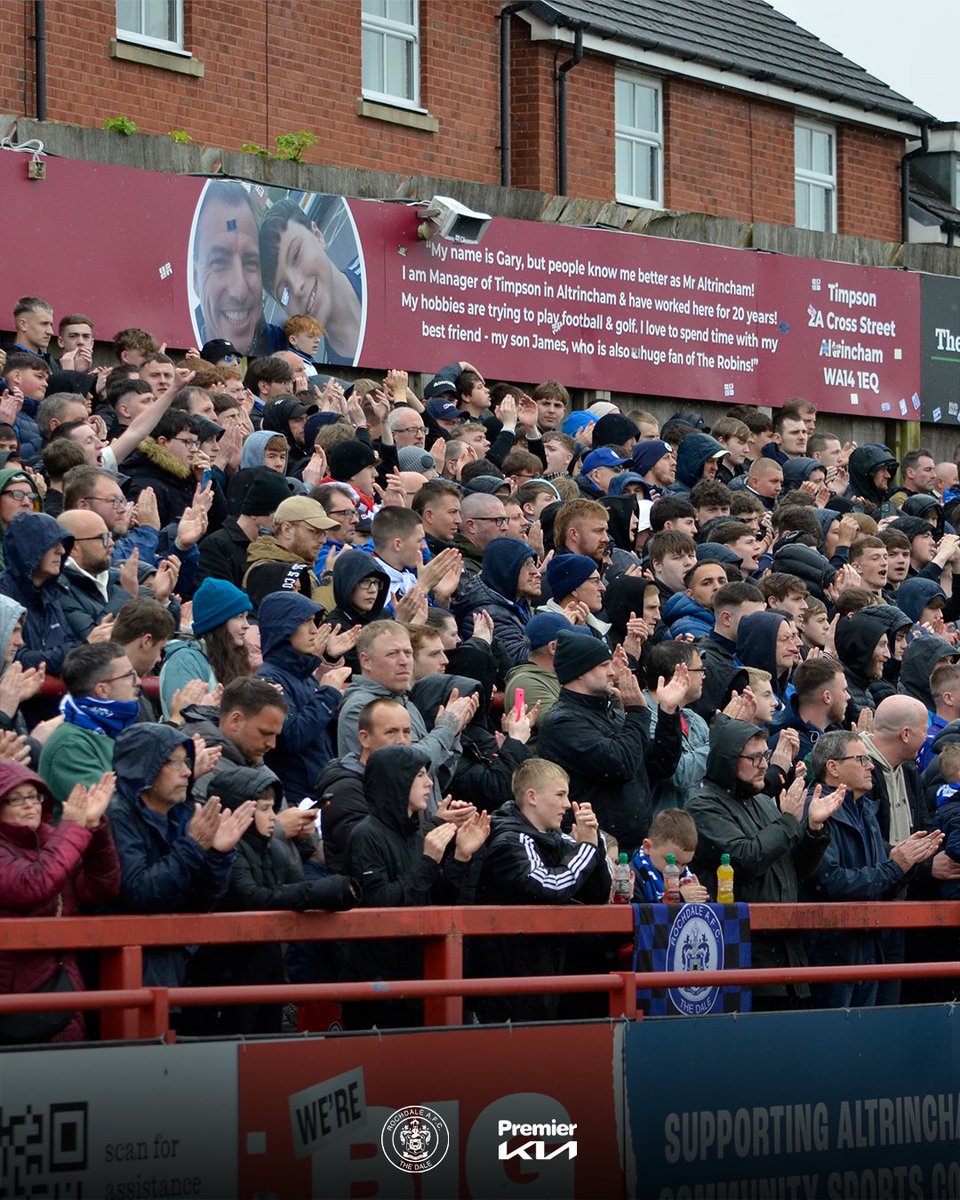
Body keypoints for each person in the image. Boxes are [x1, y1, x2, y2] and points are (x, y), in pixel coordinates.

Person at [180, 760, 358, 1036]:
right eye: (263, 809)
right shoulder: (228, 851)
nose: (273, 816)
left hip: (267, 966)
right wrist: (324, 891)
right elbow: (254, 897)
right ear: (239, 810)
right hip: (227, 972)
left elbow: (289, 888)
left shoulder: (270, 848)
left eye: (273, 808)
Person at [687, 717, 842, 1010]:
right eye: (755, 757)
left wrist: (812, 830)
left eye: (765, 756)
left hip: (788, 952)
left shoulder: (763, 802)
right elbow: (745, 859)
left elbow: (795, 869)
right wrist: (787, 822)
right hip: (744, 951)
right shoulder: (703, 806)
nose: (763, 765)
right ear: (728, 760)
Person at [339, 745, 489, 1029]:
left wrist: (460, 857)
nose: (429, 782)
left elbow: (436, 900)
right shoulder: (365, 836)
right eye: (420, 775)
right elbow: (380, 907)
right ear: (397, 780)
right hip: (379, 989)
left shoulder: (421, 832)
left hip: (421, 976)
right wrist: (429, 862)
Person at [109, 723, 255, 987]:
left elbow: (202, 901)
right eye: (174, 763)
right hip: (132, 967)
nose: (187, 771)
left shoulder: (183, 813)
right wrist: (194, 845)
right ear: (146, 766)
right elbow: (139, 893)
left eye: (186, 762)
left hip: (181, 957)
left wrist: (218, 855)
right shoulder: (118, 816)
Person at [805, 730, 942, 1008]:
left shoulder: (866, 810)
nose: (870, 766)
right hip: (832, 951)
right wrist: (896, 866)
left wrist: (909, 862)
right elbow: (830, 882)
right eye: (861, 759)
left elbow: (882, 880)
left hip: (868, 944)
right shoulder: (817, 810)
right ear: (833, 767)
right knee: (835, 1040)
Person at [471, 757, 611, 1022]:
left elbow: (596, 894)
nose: (566, 805)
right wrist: (587, 849)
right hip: (511, 985)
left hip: (544, 973)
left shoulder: (555, 837)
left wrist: (594, 841)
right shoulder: (509, 841)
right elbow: (552, 886)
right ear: (532, 797)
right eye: (559, 795)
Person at [537, 631, 687, 853]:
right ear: (579, 672)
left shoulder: (612, 716)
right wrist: (637, 711)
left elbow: (660, 766)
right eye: (603, 665)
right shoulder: (562, 723)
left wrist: (667, 713)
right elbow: (619, 765)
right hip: (595, 849)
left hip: (634, 846)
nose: (611, 672)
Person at [0, 766, 119, 1043]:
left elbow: (102, 887)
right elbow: (33, 885)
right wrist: (75, 828)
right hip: (15, 993)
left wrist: (95, 829)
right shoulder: (62, 837)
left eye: (34, 796)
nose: (29, 804)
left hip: (64, 980)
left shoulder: (53, 839)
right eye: (15, 799)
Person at [336, 621, 474, 807]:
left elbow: (432, 778)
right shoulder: (360, 708)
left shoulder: (406, 703)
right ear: (366, 661)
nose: (404, 661)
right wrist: (446, 729)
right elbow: (402, 768)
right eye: (393, 654)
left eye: (408, 653)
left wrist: (455, 731)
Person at [255, 591, 351, 803]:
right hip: (295, 796)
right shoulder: (268, 679)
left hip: (319, 789)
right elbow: (290, 736)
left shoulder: (304, 675)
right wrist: (328, 694)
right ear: (284, 628)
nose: (314, 630)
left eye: (314, 622)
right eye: (305, 622)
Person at [258, 198, 363, 365]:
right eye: (284, 292)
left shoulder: (386, 280)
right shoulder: (326, 373)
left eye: (296, 255)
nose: (297, 287)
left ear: (317, 235)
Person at [39, 644, 141, 808]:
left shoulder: (116, 729)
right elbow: (113, 813)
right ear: (103, 690)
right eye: (130, 676)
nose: (139, 682)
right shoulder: (70, 746)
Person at [159, 578, 252, 718]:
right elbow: (185, 725)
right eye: (239, 617)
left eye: (246, 617)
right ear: (217, 622)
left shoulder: (226, 657)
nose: (246, 625)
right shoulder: (184, 661)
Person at [0, 511, 79, 675]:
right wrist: (80, 650)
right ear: (29, 548)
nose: (62, 551)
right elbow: (14, 659)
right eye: (52, 544)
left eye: (62, 543)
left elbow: (68, 641)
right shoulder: (3, 597)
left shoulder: (51, 592)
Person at [503, 611, 578, 731]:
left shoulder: (556, 676)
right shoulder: (526, 683)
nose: (576, 647)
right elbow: (566, 728)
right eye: (571, 642)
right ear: (553, 647)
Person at [631, 808, 709, 902]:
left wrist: (700, 897)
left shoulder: (686, 877)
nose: (678, 871)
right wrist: (679, 898)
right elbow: (640, 914)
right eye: (671, 862)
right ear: (647, 847)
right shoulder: (632, 878)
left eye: (684, 864)